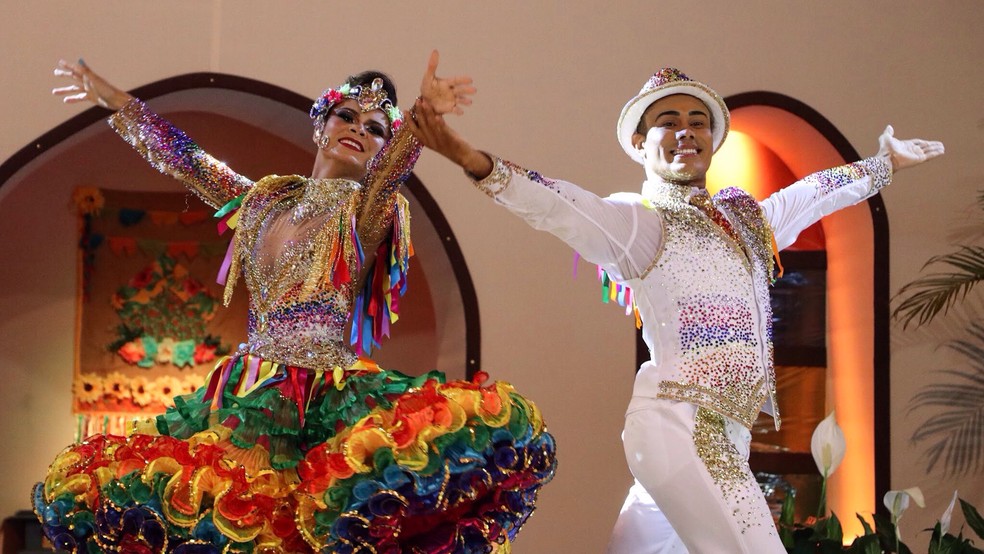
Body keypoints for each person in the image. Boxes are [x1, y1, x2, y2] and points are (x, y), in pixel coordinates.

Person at [34, 54, 556, 554]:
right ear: (321, 125)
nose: (359, 129)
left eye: (376, 128)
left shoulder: (369, 211)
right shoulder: (264, 200)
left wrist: (420, 118)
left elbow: (394, 170)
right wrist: (116, 104)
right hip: (245, 392)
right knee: (229, 523)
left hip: (325, 399)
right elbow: (185, 159)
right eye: (348, 116)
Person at [409, 67, 944, 553]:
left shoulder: (747, 221)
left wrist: (883, 164)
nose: (687, 131)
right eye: (669, 121)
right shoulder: (638, 222)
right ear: (641, 144)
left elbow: (812, 195)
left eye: (698, 121)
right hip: (681, 426)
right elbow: (558, 205)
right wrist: (467, 156)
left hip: (726, 437)